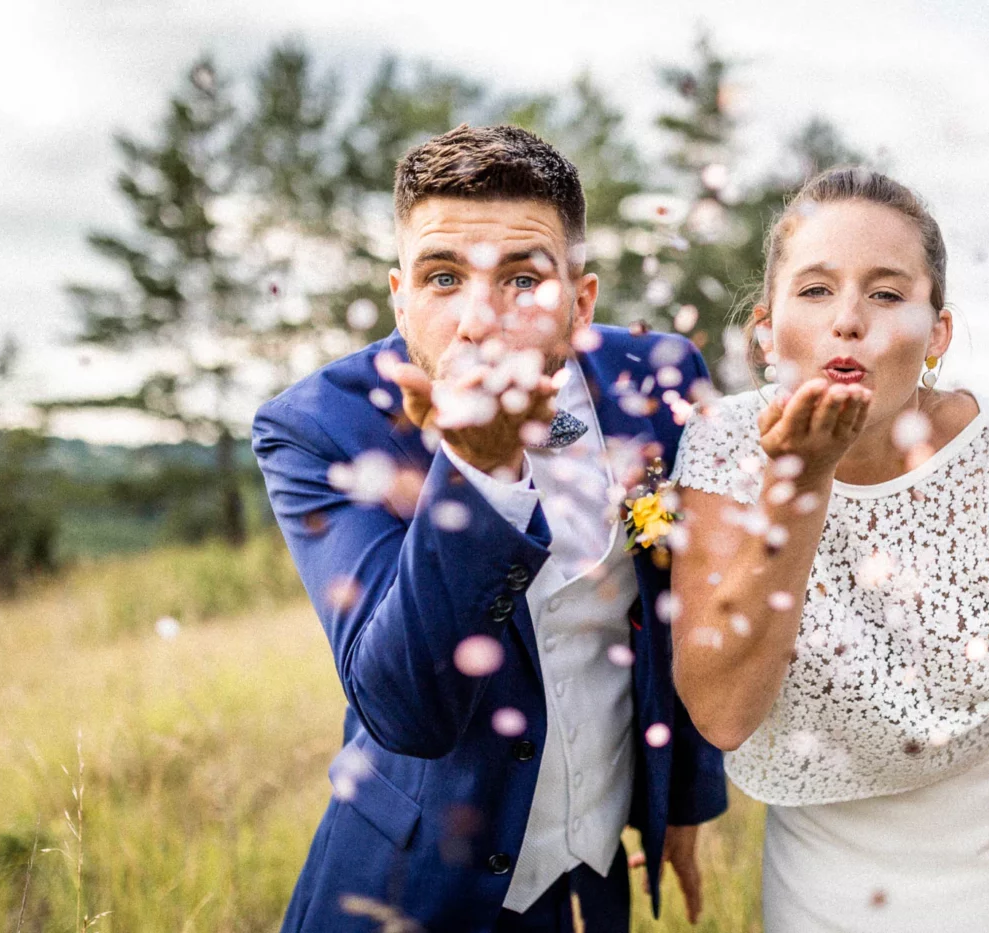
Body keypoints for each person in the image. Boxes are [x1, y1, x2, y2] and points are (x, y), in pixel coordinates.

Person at [252, 124, 726, 933]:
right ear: (400, 296)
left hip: (589, 881)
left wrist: (684, 799)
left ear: (581, 302)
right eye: (443, 277)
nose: (479, 321)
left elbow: (686, 596)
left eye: (523, 279)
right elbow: (406, 709)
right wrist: (475, 475)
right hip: (412, 890)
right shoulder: (319, 427)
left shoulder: (658, 376)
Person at [667, 167, 989, 932]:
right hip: (827, 890)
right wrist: (800, 485)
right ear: (765, 329)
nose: (848, 319)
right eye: (815, 289)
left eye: (887, 294)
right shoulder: (722, 448)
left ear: (937, 334)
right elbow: (721, 713)